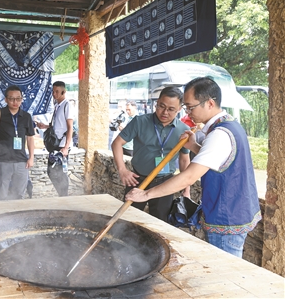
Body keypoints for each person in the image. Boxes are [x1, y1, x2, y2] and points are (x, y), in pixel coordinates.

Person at [126, 77, 261, 257]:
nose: (188, 113)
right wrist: (193, 147)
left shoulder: (219, 135)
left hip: (226, 216)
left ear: (210, 103)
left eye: (190, 107)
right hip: (237, 209)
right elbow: (218, 162)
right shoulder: (231, 124)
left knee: (221, 272)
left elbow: (189, 177)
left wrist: (146, 194)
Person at [112, 87, 191, 222]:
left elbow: (184, 160)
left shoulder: (183, 130)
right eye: (161, 106)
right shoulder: (140, 121)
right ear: (157, 103)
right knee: (127, 220)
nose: (165, 112)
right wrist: (122, 170)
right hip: (137, 180)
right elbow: (117, 143)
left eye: (171, 109)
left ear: (179, 109)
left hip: (165, 183)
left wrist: (186, 190)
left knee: (160, 224)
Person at [0, 85, 35, 200]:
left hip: (21, 161)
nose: (15, 102)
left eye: (18, 99)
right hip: (3, 160)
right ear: (6, 99)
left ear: (21, 99)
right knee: (1, 194)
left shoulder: (26, 117)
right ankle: (1, 216)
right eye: (11, 99)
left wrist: (31, 157)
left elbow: (30, 138)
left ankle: (17, 216)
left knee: (19, 194)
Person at [36, 81, 74, 197]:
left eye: (57, 91)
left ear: (63, 92)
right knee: (52, 171)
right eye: (53, 91)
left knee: (59, 172)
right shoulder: (57, 106)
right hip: (56, 144)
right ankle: (62, 195)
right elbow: (58, 125)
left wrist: (66, 147)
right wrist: (46, 126)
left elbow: (70, 127)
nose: (54, 94)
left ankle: (64, 196)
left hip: (62, 145)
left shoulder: (67, 105)